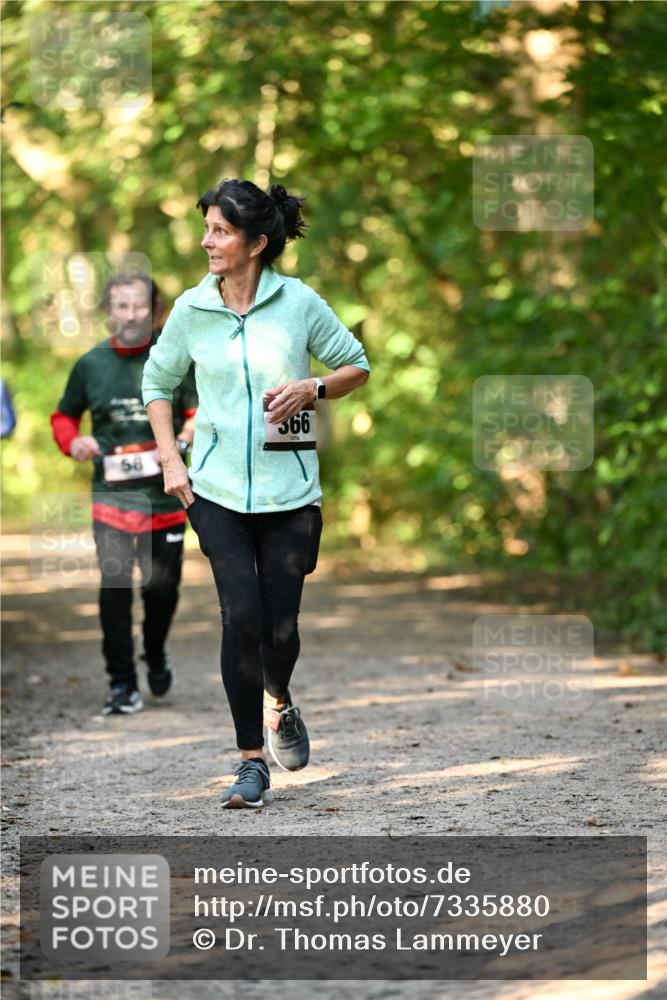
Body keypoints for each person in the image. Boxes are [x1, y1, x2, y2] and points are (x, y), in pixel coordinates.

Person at [142, 179, 370, 808]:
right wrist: (171, 461)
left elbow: (357, 364)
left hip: (291, 493)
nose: (207, 241)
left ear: (256, 243)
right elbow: (156, 384)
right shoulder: (192, 310)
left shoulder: (297, 303)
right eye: (207, 228)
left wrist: (314, 389)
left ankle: (280, 700)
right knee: (240, 616)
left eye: (220, 230)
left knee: (282, 628)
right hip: (213, 491)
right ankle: (249, 761)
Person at [50, 272, 197, 716]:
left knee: (162, 593)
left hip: (166, 502)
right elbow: (63, 417)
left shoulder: (173, 358)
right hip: (112, 502)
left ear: (154, 312)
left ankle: (154, 653)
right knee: (115, 591)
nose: (130, 314)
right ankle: (121, 684)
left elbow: (195, 412)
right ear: (108, 312)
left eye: (139, 306)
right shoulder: (91, 364)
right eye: (121, 306)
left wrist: (184, 440)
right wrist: (73, 442)